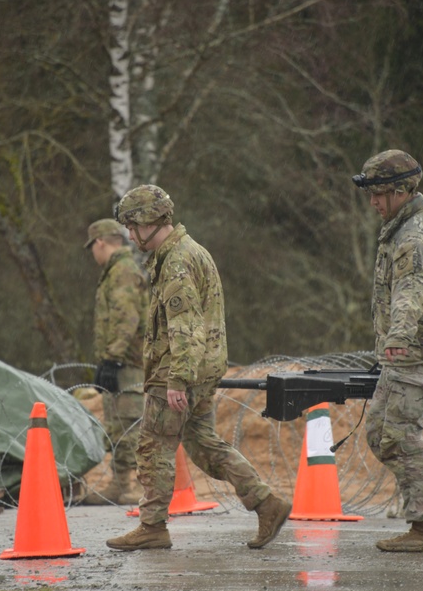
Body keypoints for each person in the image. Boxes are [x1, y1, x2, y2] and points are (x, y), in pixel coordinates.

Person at [106, 185, 291, 551]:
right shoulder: (187, 252)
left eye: (131, 225)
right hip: (199, 368)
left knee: (154, 446)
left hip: (178, 369)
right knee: (204, 444)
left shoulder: (176, 261)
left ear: (148, 221)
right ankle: (266, 502)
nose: (128, 234)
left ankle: (153, 526)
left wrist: (177, 379)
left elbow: (185, 325)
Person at [352, 149, 423, 552]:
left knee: (399, 433)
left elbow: (411, 294)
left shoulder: (416, 236)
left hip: (416, 349)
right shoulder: (402, 228)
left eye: (379, 194)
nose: (373, 202)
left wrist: (398, 338)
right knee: (380, 434)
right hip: (405, 347)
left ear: (403, 191)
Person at [81, 218, 148, 505]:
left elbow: (126, 318)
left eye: (92, 248)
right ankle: (120, 484)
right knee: (118, 423)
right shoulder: (118, 271)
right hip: (123, 360)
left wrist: (112, 358)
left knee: (127, 423)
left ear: (100, 243)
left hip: (127, 363)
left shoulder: (121, 272)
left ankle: (128, 486)